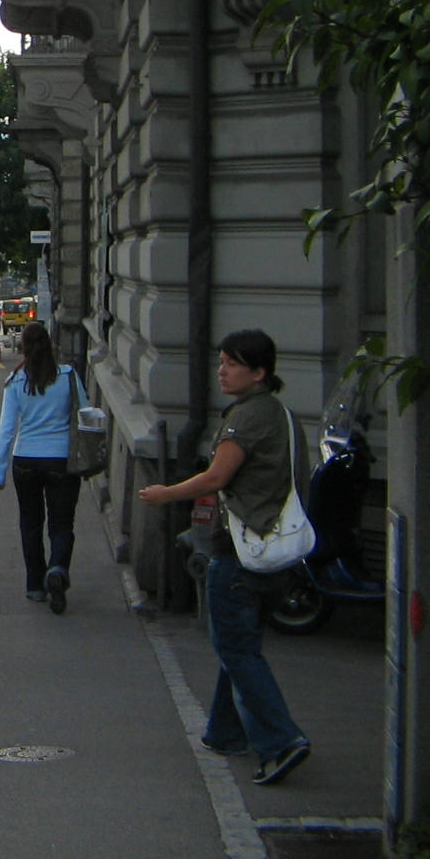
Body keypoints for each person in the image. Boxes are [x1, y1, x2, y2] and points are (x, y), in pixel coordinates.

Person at [138, 329, 311, 787]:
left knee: (236, 649)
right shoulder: (282, 415)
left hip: (240, 551)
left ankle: (281, 740)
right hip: (274, 550)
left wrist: (165, 493)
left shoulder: (247, 417)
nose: (221, 371)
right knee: (238, 645)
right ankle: (225, 732)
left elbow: (216, 476)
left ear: (259, 372)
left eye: (232, 364)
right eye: (220, 362)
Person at [0, 321, 87, 613]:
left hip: (26, 460)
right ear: (50, 345)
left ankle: (35, 585)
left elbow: (7, 429)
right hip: (61, 460)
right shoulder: (68, 376)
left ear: (24, 349)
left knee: (30, 523)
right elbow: (85, 415)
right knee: (62, 523)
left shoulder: (15, 381)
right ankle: (57, 568)